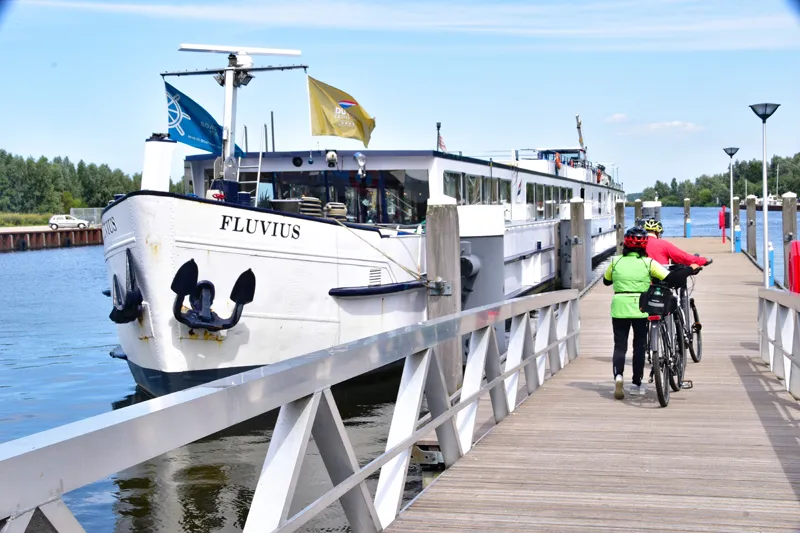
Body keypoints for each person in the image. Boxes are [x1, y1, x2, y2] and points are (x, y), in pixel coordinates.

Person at [603, 226, 697, 400]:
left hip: (619, 307)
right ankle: (637, 383)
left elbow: (606, 281)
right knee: (639, 345)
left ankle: (618, 376)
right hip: (641, 307)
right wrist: (690, 268)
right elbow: (670, 278)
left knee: (620, 345)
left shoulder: (615, 261)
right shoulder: (648, 263)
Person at [643, 218, 711, 267]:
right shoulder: (663, 244)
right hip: (660, 279)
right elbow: (683, 257)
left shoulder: (637, 244)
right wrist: (703, 260)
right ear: (658, 232)